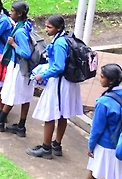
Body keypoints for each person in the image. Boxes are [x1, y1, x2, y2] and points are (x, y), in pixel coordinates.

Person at [27, 14, 85, 159]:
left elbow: (59, 67)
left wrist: (43, 75)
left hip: (59, 83)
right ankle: (56, 144)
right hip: (68, 83)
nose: (46, 30)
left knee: (50, 114)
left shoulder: (59, 43)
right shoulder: (67, 37)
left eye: (49, 27)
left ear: (58, 28)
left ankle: (46, 148)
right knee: (62, 114)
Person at [0, 0, 35, 137]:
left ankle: (0, 121)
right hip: (26, 69)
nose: (11, 12)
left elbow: (25, 53)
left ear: (19, 14)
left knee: (10, 94)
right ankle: (21, 125)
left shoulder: (19, 31)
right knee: (25, 97)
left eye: (13, 10)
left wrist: (13, 44)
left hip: (18, 67)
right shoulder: (27, 25)